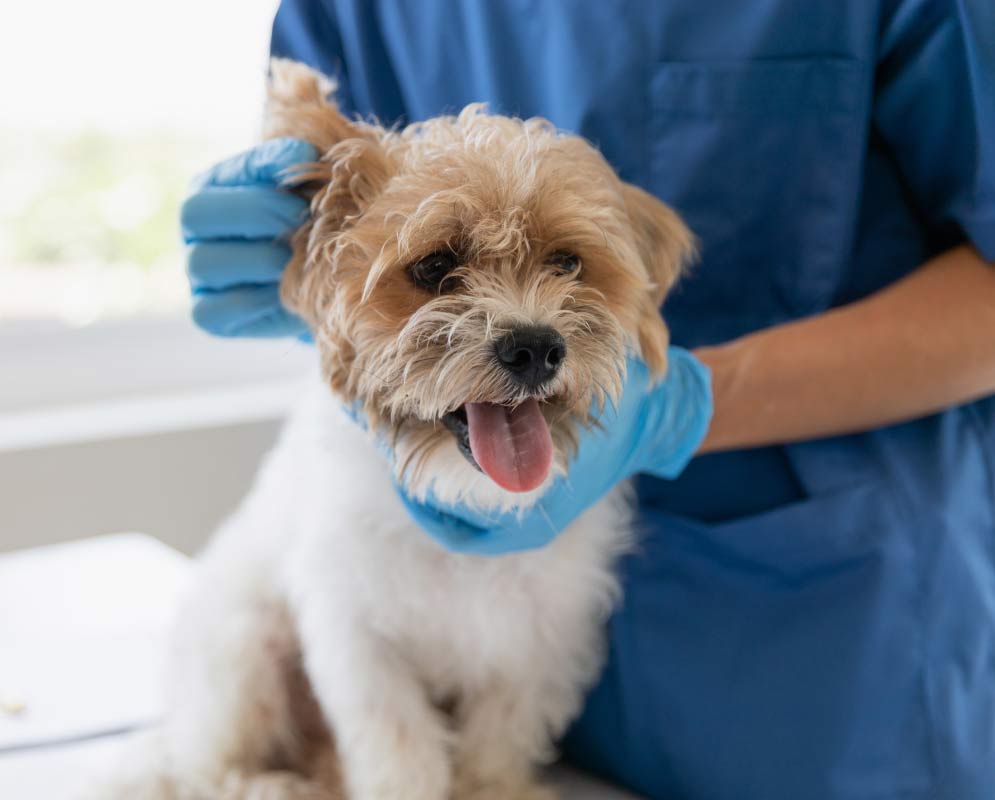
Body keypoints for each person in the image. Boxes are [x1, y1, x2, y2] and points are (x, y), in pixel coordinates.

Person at [180, 2, 995, 798]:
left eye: (564, 266)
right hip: (527, 712)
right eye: (440, 270)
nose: (525, 318)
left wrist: (685, 400)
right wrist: (293, 244)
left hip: (831, 641)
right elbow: (325, 216)